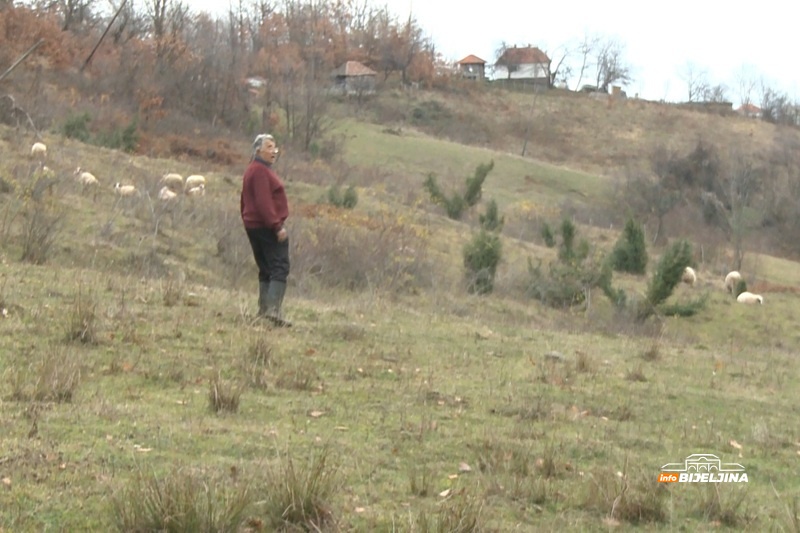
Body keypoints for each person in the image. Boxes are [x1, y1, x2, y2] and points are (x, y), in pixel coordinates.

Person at [241, 133, 291, 327]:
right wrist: (276, 226)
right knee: (279, 266)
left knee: (265, 268)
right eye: (269, 147)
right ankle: (273, 310)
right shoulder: (260, 171)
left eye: (274, 147)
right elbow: (263, 202)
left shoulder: (251, 170)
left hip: (253, 224)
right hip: (265, 225)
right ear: (258, 150)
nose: (274, 151)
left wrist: (247, 220)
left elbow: (244, 201)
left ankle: (263, 311)